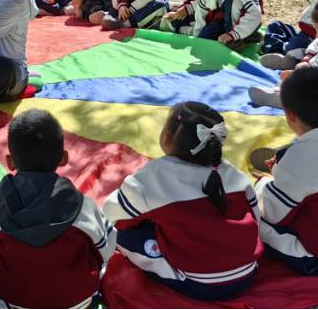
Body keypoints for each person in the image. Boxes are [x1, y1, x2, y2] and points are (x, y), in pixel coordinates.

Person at [104, 102, 262, 300]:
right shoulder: (233, 173)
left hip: (199, 284)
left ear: (166, 137)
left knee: (118, 233)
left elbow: (112, 215)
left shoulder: (152, 177)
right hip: (248, 272)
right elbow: (256, 219)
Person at [0, 109, 115, 309]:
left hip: (12, 301)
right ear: (64, 158)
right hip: (75, 302)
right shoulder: (82, 206)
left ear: (10, 162)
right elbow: (106, 247)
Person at [253, 67, 318, 276]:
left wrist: (264, 183)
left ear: (290, 115)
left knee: (254, 218)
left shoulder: (299, 158)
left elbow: (272, 213)